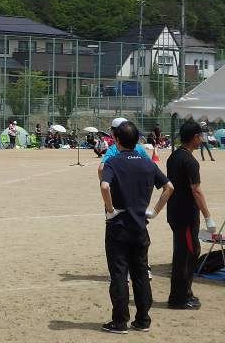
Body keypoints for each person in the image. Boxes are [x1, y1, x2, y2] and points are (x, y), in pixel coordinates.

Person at [100, 121, 174, 334]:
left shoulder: (113, 161)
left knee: (119, 274)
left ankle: (120, 321)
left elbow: (105, 185)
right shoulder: (147, 163)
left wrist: (110, 208)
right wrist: (155, 210)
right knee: (141, 273)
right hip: (140, 225)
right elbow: (169, 187)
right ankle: (143, 319)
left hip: (119, 225)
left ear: (116, 140)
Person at [166, 120, 218, 310]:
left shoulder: (174, 157)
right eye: (200, 136)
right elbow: (196, 191)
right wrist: (208, 217)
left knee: (189, 252)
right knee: (186, 255)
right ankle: (179, 297)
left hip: (175, 212)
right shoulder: (190, 161)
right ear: (195, 137)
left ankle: (185, 292)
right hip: (186, 215)